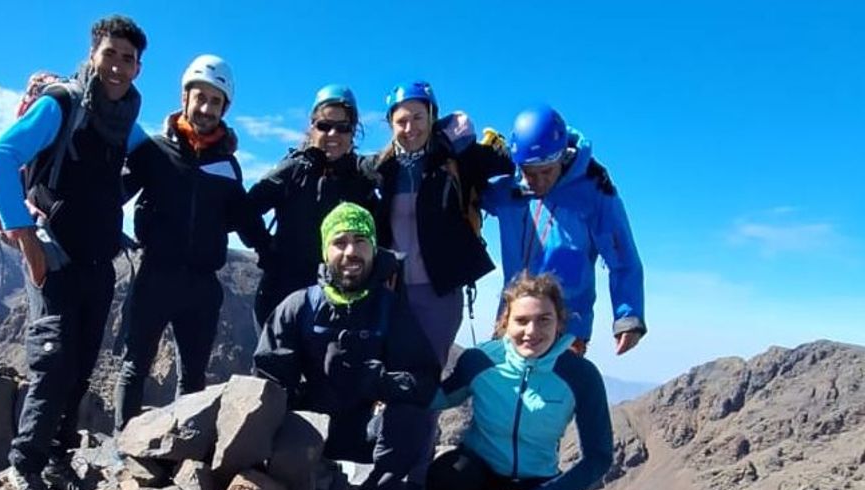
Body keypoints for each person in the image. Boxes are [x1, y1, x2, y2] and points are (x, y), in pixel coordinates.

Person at [0, 15, 147, 490]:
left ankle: (58, 458)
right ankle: (25, 465)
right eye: (110, 54)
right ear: (93, 54)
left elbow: (152, 162)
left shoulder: (123, 121)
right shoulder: (63, 106)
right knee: (53, 362)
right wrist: (26, 236)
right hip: (53, 255)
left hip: (97, 260)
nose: (117, 66)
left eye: (128, 59)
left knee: (81, 365)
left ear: (139, 68)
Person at [113, 55, 271, 430]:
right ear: (184, 97)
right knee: (136, 364)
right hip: (156, 274)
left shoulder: (227, 166)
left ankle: (181, 447)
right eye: (200, 97)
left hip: (202, 283)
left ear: (224, 108)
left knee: (194, 375)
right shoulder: (153, 151)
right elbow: (112, 191)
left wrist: (272, 251)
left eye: (216, 102)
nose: (205, 108)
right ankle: (122, 444)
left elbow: (245, 220)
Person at [254, 202, 440, 490]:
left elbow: (423, 379)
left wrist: (379, 381)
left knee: (414, 418)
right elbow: (267, 378)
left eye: (360, 241)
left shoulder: (390, 309)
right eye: (339, 242)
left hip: (366, 432)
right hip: (308, 431)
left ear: (373, 248)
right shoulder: (298, 306)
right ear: (326, 251)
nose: (350, 251)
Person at [425, 272, 615, 490]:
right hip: (481, 477)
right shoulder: (481, 360)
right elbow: (443, 398)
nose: (532, 331)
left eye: (544, 320)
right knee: (445, 475)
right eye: (522, 320)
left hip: (537, 485)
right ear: (506, 322)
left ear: (559, 323)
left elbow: (599, 457)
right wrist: (396, 386)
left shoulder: (580, 375)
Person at [482, 104, 646, 357]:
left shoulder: (594, 192)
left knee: (556, 393)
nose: (538, 182)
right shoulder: (511, 190)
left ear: (561, 156)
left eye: (546, 172)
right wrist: (473, 160)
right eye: (529, 173)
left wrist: (628, 316)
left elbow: (622, 256)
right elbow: (467, 194)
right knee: (501, 394)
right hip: (514, 319)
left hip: (567, 327)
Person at [371, 81, 511, 367]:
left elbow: (512, 163)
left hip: (439, 294)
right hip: (392, 292)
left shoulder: (456, 158)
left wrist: (575, 154)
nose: (410, 128)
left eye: (418, 118)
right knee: (388, 376)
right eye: (402, 121)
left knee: (427, 378)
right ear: (390, 125)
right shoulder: (381, 170)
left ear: (432, 117)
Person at [247, 84, 379, 330]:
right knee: (272, 366)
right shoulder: (292, 170)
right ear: (311, 128)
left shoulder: (361, 181)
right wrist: (266, 250)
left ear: (353, 133)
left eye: (343, 128)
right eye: (324, 126)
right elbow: (245, 211)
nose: (333, 134)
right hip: (279, 294)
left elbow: (380, 233)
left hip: (336, 300)